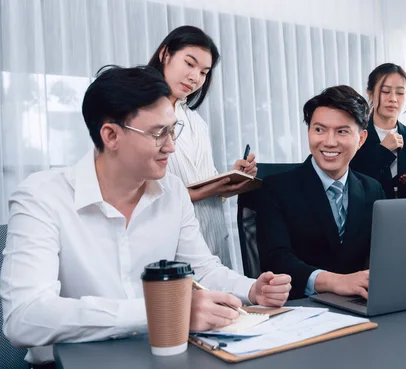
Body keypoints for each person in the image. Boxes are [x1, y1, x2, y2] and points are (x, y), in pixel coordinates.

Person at [0, 65, 291, 367]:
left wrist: (252, 289)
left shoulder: (172, 191)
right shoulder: (41, 196)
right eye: (158, 133)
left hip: (159, 357)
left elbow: (202, 270)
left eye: (173, 129)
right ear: (111, 135)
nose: (171, 146)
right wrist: (166, 312)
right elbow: (25, 318)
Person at [256, 85, 386, 300]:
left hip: (360, 305)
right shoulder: (276, 188)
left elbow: (382, 254)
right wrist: (337, 282)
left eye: (342, 131)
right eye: (319, 129)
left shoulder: (372, 189)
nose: (329, 141)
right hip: (301, 307)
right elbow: (276, 259)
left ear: (361, 139)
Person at [148, 25, 257, 269]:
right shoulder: (142, 114)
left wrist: (230, 180)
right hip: (170, 240)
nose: (195, 77)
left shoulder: (197, 122)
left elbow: (204, 182)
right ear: (165, 54)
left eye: (204, 72)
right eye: (189, 63)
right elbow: (143, 194)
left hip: (213, 236)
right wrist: (206, 191)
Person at [350, 63, 406, 199]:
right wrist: (383, 151)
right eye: (385, 91)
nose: (393, 99)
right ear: (370, 93)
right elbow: (353, 183)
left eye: (400, 93)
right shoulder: (356, 136)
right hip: (369, 216)